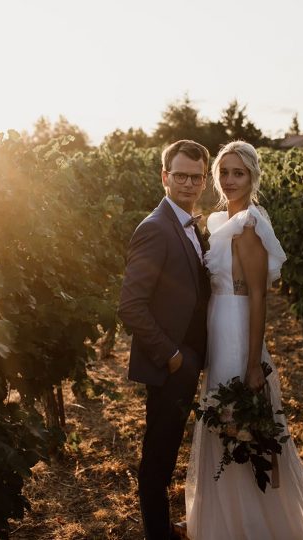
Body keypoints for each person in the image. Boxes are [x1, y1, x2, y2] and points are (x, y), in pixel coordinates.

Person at [184, 141, 303, 539]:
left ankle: (250, 525)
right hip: (218, 329)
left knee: (240, 422)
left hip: (236, 332)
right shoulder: (218, 221)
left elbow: (258, 295)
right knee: (222, 422)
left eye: (239, 173)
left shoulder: (249, 225)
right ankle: (223, 519)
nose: (230, 180)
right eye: (225, 172)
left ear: (253, 177)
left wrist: (253, 364)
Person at [118, 139, 212, 540]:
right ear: (165, 176)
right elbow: (131, 305)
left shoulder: (191, 223)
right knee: (158, 456)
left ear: (205, 180)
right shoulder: (155, 228)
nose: (188, 183)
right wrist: (173, 356)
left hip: (190, 360)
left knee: (170, 449)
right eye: (180, 176)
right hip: (171, 364)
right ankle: (156, 533)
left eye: (196, 176)